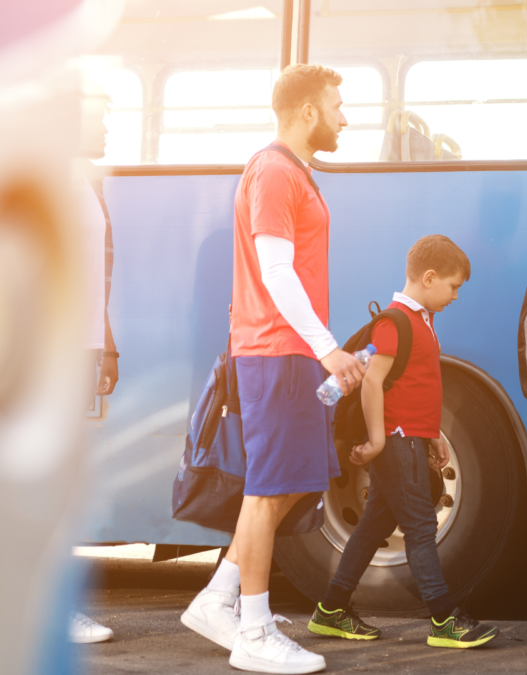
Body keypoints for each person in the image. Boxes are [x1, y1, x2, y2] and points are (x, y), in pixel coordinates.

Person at [180, 64, 365, 675]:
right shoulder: (274, 171)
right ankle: (254, 631)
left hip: (288, 354)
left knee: (291, 483)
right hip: (277, 351)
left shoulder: (297, 174)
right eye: (337, 105)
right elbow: (276, 271)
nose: (345, 116)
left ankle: (220, 597)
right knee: (267, 490)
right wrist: (328, 347)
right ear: (308, 111)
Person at [306, 235, 500, 649]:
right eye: (453, 286)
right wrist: (377, 440)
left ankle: (331, 609)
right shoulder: (395, 323)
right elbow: (372, 383)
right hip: (396, 441)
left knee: (376, 522)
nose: (455, 295)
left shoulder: (422, 320)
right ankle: (444, 619)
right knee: (420, 526)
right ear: (429, 278)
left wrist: (432, 438)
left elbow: (417, 389)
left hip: (412, 439)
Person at [69, 82, 120, 646]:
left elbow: (92, 273)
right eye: (98, 118)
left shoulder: (85, 182)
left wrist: (105, 345)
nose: (108, 128)